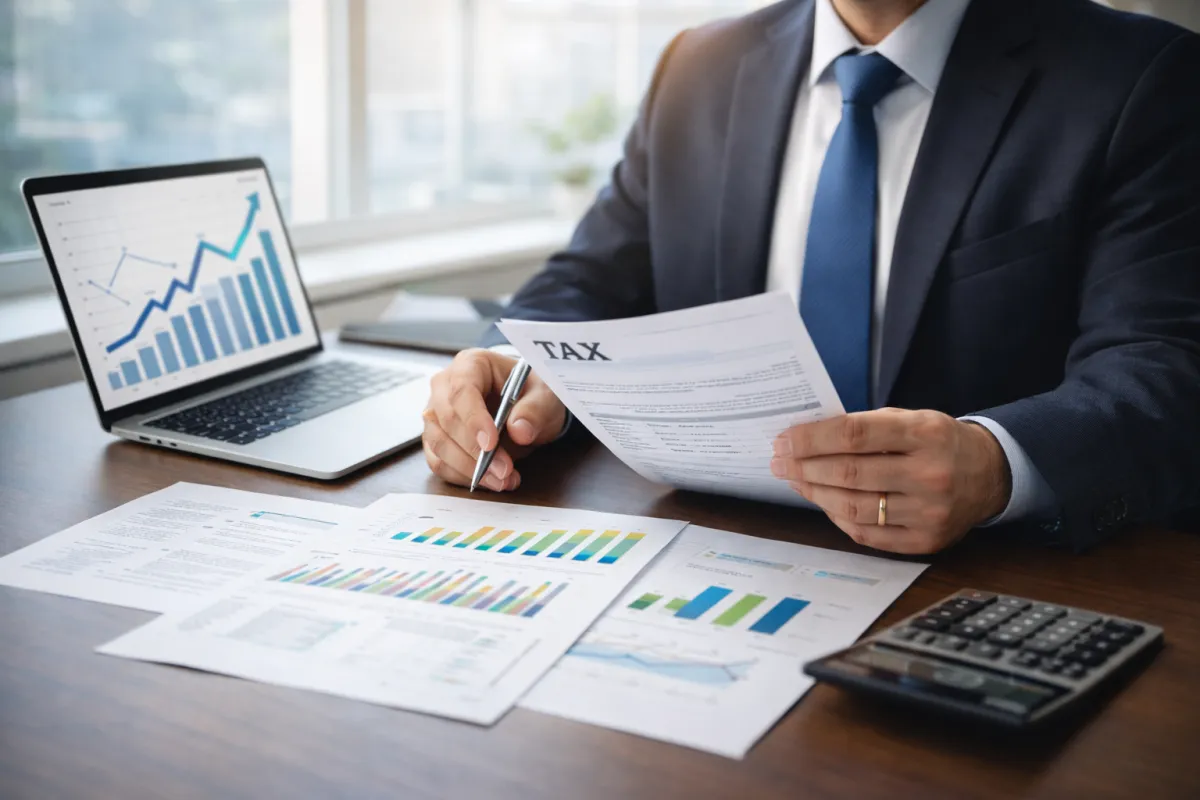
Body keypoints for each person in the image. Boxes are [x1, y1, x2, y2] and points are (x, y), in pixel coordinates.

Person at [421, 0, 1200, 555]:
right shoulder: (698, 63)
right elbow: (587, 282)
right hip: (709, 552)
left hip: (984, 580)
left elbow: (1162, 365)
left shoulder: (1137, 77)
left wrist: (995, 467)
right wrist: (509, 370)